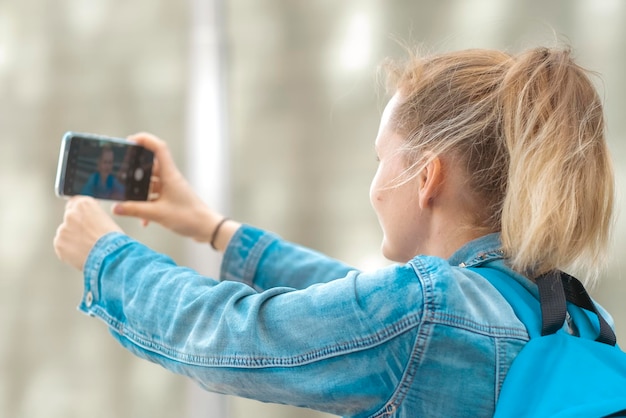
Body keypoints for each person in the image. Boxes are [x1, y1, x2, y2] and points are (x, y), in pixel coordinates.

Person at [53, 46, 615, 417]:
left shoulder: (421, 313)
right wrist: (214, 230)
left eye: (380, 160)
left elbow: (232, 336)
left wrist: (107, 258)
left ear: (427, 177)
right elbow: (354, 304)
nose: (374, 185)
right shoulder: (572, 314)